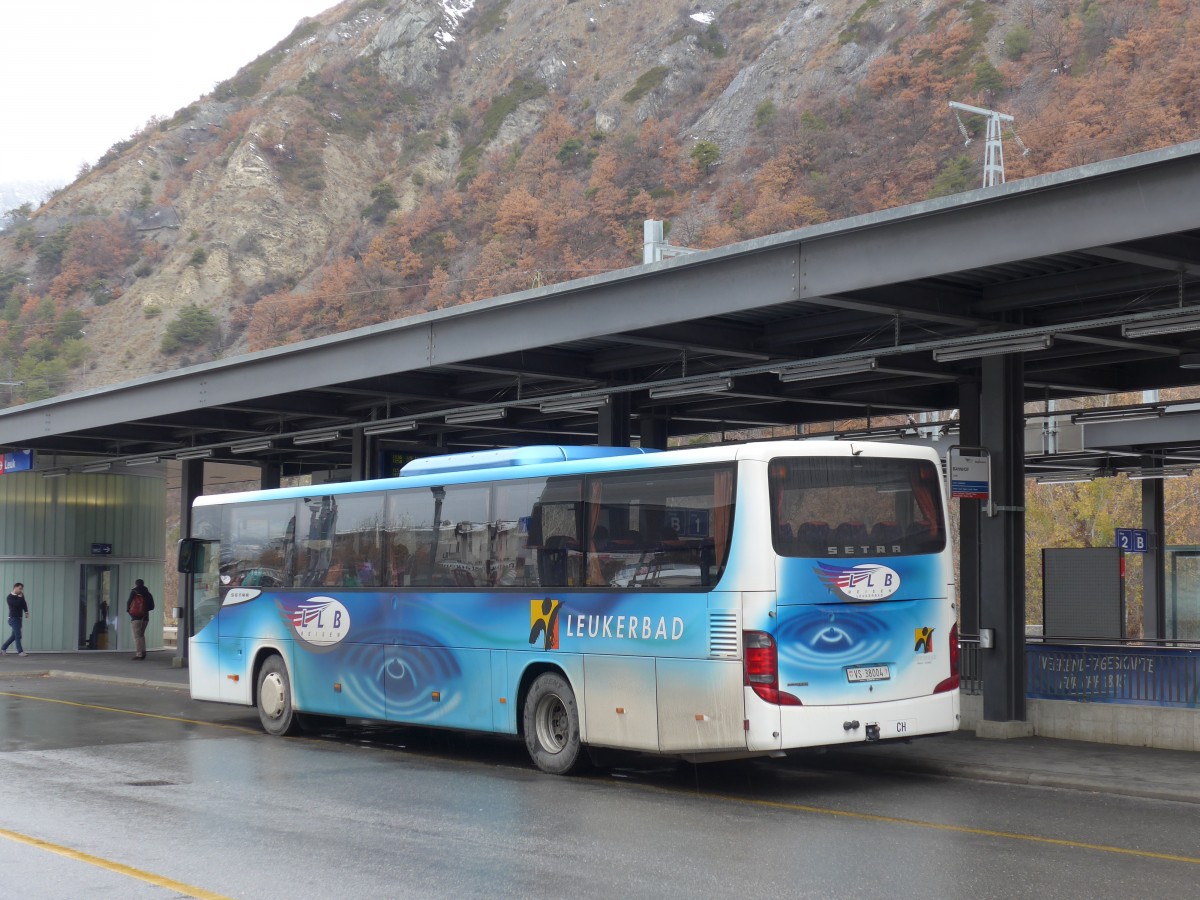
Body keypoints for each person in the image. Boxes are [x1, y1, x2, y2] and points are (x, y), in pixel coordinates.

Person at [127, 578, 155, 660]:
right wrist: (145, 610)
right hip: (145, 617)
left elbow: (128, 603)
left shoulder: (134, 592)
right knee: (142, 635)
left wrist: (130, 612)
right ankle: (144, 652)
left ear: (136, 584)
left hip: (136, 617)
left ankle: (139, 654)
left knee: (137, 636)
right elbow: (152, 606)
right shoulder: (148, 593)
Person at [2, 583, 29, 656]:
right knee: (18, 635)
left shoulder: (20, 596)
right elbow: (16, 604)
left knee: (14, 636)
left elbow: (23, 603)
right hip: (13, 619)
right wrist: (20, 597)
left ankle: (3, 648)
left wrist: (26, 611)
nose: (21, 590)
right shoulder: (9, 597)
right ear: (15, 587)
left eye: (22, 589)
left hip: (19, 618)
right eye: (20, 588)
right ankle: (20, 652)